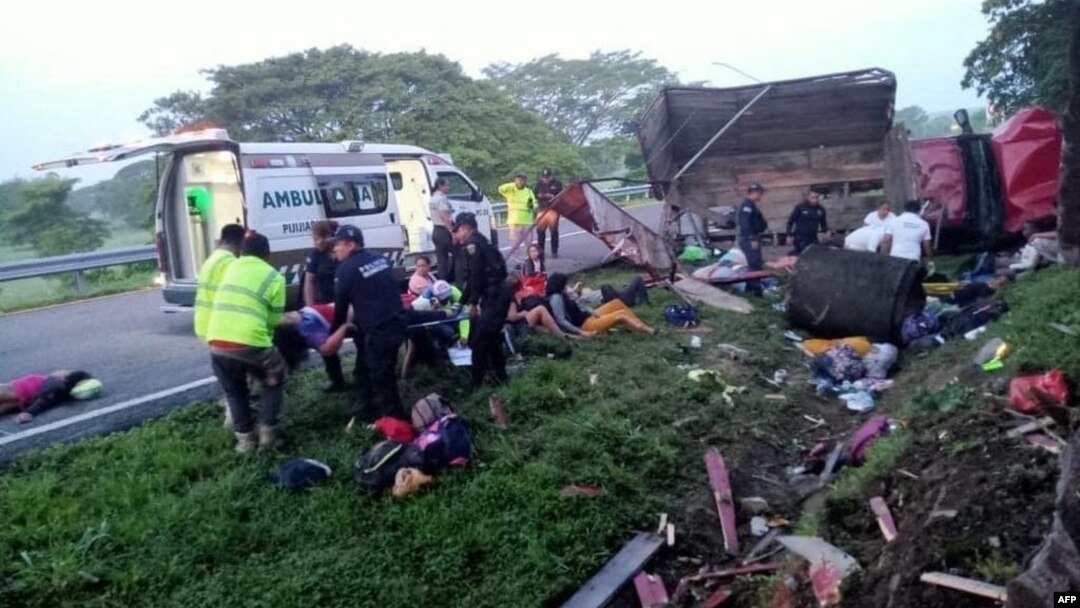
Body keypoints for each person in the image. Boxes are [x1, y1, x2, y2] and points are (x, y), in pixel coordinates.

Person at [206, 232, 288, 453]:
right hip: (251, 343)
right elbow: (273, 320)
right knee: (275, 379)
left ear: (242, 252)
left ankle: (245, 442)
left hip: (216, 342)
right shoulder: (275, 278)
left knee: (235, 391)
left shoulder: (230, 268)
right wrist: (267, 349)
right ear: (267, 255)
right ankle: (268, 434)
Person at [321, 224, 407, 422]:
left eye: (338, 244)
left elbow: (341, 309)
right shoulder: (381, 259)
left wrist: (333, 335)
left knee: (382, 378)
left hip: (379, 330)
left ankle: (397, 424)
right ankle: (366, 410)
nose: (335, 249)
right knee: (364, 369)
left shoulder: (345, 271)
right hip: (395, 323)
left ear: (351, 245)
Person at [453, 212, 512, 388]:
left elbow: (476, 277)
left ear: (465, 228)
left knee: (479, 342)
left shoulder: (473, 245)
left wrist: (471, 304)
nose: (457, 236)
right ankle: (502, 378)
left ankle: (475, 385)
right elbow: (473, 279)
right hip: (498, 296)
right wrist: (461, 302)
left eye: (458, 231)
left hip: (494, 298)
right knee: (492, 340)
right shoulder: (483, 241)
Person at [302, 220, 346, 393]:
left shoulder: (341, 251)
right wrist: (310, 308)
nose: (318, 242)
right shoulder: (314, 255)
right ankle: (335, 379)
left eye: (322, 238)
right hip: (325, 305)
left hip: (345, 303)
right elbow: (309, 281)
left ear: (331, 237)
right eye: (315, 239)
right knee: (325, 342)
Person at [546, 273, 655, 337]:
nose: (566, 286)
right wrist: (581, 332)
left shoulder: (563, 294)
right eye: (564, 284)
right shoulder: (556, 298)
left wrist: (593, 312)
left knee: (616, 303)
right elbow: (561, 320)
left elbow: (580, 306)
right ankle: (648, 330)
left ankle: (636, 324)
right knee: (621, 314)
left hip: (589, 317)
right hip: (586, 325)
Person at [193, 224, 246, 341]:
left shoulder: (212, 259)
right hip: (219, 327)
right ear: (240, 243)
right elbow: (237, 298)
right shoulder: (230, 263)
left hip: (204, 324)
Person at [0, 370, 94, 423]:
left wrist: (29, 413)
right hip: (29, 393)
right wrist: (29, 412)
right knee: (4, 404)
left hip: (28, 388)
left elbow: (44, 399)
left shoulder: (58, 386)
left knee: (4, 401)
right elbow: (44, 400)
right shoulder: (61, 389)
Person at [498, 172, 536, 252]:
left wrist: (531, 206)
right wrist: (513, 184)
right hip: (515, 221)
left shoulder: (528, 191)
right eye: (519, 179)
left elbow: (532, 204)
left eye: (522, 180)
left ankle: (529, 260)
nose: (520, 181)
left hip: (527, 221)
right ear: (515, 180)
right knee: (515, 244)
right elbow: (500, 188)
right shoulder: (510, 190)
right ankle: (517, 262)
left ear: (525, 181)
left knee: (529, 244)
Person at [736, 183, 768, 271]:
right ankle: (754, 284)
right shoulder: (747, 205)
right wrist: (751, 239)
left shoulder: (752, 204)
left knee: (757, 262)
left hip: (754, 236)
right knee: (753, 263)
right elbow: (744, 223)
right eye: (761, 193)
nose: (761, 196)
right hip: (749, 238)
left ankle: (757, 282)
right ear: (755, 193)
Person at [533, 168, 564, 258]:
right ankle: (540, 251)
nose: (545, 179)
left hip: (553, 209)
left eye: (547, 177)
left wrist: (552, 196)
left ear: (551, 176)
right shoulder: (539, 183)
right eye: (544, 177)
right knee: (540, 231)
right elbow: (534, 194)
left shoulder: (557, 183)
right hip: (542, 209)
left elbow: (561, 195)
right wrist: (539, 196)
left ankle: (554, 250)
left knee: (553, 231)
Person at [786, 190, 828, 255]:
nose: (815, 200)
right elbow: (790, 222)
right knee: (802, 254)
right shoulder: (800, 207)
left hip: (813, 237)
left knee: (815, 254)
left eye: (817, 197)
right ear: (808, 197)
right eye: (813, 198)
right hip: (800, 237)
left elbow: (823, 223)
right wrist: (789, 235)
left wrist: (825, 232)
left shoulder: (820, 209)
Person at [429, 177, 456, 279]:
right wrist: (452, 232)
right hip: (444, 231)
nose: (448, 187)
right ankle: (459, 281)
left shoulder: (433, 198)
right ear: (440, 186)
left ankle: (442, 283)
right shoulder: (441, 198)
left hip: (436, 230)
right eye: (447, 185)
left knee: (441, 261)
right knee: (459, 255)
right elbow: (443, 215)